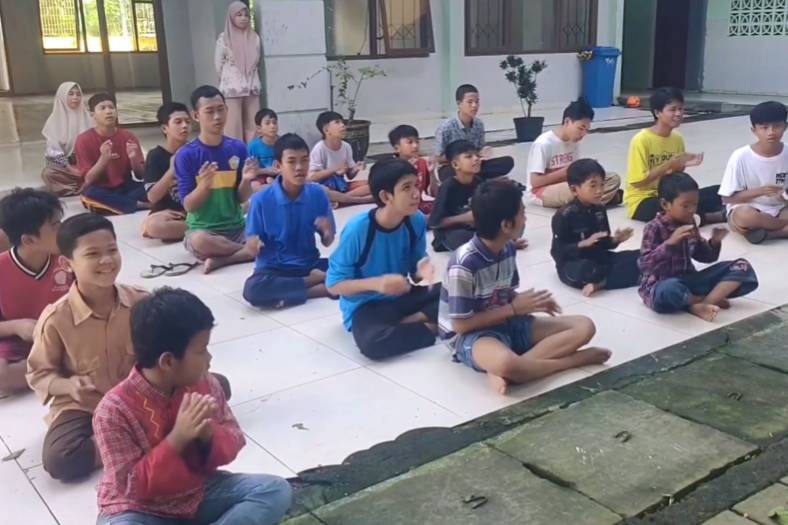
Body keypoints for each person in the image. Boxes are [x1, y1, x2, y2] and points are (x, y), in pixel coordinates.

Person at [94, 288, 292, 525]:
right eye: (201, 350)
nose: (209, 359)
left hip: (196, 495)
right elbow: (130, 487)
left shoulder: (206, 384)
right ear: (168, 361)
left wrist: (209, 437)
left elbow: (235, 437)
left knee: (273, 490)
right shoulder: (112, 412)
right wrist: (177, 439)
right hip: (139, 509)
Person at [439, 179, 610, 395]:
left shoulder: (507, 248)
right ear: (506, 225)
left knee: (584, 326)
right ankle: (571, 361)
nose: (525, 219)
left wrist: (532, 303)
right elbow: (460, 325)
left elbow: (505, 292)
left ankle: (513, 370)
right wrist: (513, 309)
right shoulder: (463, 263)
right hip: (473, 334)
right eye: (522, 213)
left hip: (507, 322)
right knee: (505, 362)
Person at [26, 214, 149, 481]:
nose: (107, 260)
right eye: (93, 254)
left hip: (138, 397)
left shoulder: (141, 302)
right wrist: (68, 386)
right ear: (66, 263)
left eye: (112, 250)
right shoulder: (56, 319)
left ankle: (124, 434)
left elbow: (161, 353)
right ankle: (140, 434)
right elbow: (39, 374)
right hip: (85, 406)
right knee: (61, 459)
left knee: (215, 386)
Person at [326, 158, 439, 360]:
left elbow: (416, 270)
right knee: (373, 342)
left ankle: (412, 321)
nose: (416, 193)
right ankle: (430, 325)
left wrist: (423, 268)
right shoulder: (358, 229)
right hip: (367, 306)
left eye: (416, 185)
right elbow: (334, 285)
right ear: (386, 196)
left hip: (402, 298)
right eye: (407, 188)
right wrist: (378, 284)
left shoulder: (416, 220)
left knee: (456, 292)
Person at [638, 173, 759, 322]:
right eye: (685, 206)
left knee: (742, 267)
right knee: (669, 289)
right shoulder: (654, 227)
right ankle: (697, 303)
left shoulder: (690, 222)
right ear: (665, 204)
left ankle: (704, 302)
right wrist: (670, 243)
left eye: (695, 205)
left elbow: (705, 257)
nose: (692, 210)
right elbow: (644, 265)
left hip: (689, 281)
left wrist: (714, 242)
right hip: (661, 284)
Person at [243, 134, 336, 309]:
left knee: (356, 267)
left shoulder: (318, 194)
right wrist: (253, 245)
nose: (299, 167)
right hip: (276, 269)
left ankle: (292, 293)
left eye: (304, 160)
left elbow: (328, 241)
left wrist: (327, 232)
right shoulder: (261, 200)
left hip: (309, 263)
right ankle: (316, 286)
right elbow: (250, 247)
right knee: (253, 290)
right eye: (292, 161)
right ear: (278, 166)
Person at [176, 85, 257, 274]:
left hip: (237, 228)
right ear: (196, 115)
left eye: (221, 110)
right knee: (199, 241)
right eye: (209, 111)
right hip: (205, 232)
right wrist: (204, 186)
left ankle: (226, 258)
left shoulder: (238, 148)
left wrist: (246, 180)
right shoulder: (186, 155)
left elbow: (241, 198)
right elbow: (189, 206)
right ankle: (249, 251)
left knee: (272, 229)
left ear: (227, 110)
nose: (217, 117)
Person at [0, 189, 70, 394]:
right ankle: (59, 366)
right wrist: (16, 326)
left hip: (67, 334)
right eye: (55, 225)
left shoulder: (70, 258)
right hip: (20, 340)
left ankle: (53, 365)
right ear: (29, 240)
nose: (63, 230)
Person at [624, 87, 724, 223]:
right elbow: (637, 182)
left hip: (671, 195)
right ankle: (709, 217)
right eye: (672, 109)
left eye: (681, 109)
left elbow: (674, 178)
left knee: (719, 191)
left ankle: (699, 214)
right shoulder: (641, 140)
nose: (678, 114)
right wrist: (670, 164)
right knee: (677, 209)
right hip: (643, 200)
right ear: (657, 113)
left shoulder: (677, 138)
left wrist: (682, 165)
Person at [550, 159, 639, 297]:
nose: (599, 191)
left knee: (642, 256)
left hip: (599, 258)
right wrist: (582, 244)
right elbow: (557, 252)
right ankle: (609, 279)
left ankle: (603, 282)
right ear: (574, 190)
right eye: (593, 186)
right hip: (575, 263)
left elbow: (604, 244)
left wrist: (616, 240)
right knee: (587, 270)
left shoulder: (599, 209)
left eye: (602, 185)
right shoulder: (564, 215)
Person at [429, 140, 529, 253]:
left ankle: (499, 243)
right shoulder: (448, 186)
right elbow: (435, 223)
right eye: (469, 157)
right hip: (450, 233)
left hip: (474, 227)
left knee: (514, 222)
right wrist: (464, 218)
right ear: (455, 164)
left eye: (477, 155)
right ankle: (501, 244)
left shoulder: (479, 182)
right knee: (466, 238)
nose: (476, 159)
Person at [527, 98, 622, 208]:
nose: (583, 134)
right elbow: (535, 182)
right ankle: (600, 200)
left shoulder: (574, 142)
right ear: (567, 121)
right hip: (543, 191)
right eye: (580, 128)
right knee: (576, 191)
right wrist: (565, 172)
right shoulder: (543, 143)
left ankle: (591, 201)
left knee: (612, 178)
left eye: (586, 130)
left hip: (570, 183)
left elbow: (576, 174)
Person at [719, 101, 788, 244]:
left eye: (777, 126)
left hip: (781, 208)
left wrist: (784, 197)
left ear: (785, 127)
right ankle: (780, 228)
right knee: (746, 216)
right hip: (750, 209)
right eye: (764, 127)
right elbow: (727, 199)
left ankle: (768, 234)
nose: (771, 132)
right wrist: (761, 191)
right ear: (754, 130)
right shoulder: (740, 156)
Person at [76, 93, 147, 215]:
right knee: (90, 194)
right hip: (100, 189)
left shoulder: (128, 136)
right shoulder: (83, 139)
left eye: (111, 107)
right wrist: (103, 160)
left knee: (151, 187)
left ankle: (119, 204)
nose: (108, 111)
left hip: (126, 186)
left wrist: (134, 159)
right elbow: (88, 179)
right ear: (92, 114)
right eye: (102, 108)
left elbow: (140, 175)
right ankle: (140, 205)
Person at [434, 84, 514, 183]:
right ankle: (478, 180)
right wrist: (462, 158)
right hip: (454, 167)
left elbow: (479, 150)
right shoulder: (446, 127)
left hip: (474, 164)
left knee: (507, 162)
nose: (474, 105)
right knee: (449, 174)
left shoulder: (479, 124)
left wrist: (483, 152)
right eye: (470, 102)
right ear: (459, 103)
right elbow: (438, 158)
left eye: (477, 102)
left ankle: (474, 179)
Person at [141, 102, 192, 242]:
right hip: (169, 213)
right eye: (178, 122)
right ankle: (206, 228)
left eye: (188, 122)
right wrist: (171, 170)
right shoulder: (155, 155)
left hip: (196, 211)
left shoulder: (196, 150)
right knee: (154, 226)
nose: (184, 126)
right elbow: (152, 197)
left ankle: (202, 227)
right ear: (165, 128)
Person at [215, 1, 261, 143]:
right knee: (233, 126)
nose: (243, 18)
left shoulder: (254, 38)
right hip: (232, 89)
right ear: (231, 17)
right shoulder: (224, 39)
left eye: (246, 15)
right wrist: (230, 79)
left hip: (252, 87)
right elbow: (218, 64)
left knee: (254, 124)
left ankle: (252, 152)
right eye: (239, 15)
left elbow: (257, 60)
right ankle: (235, 154)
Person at [309, 111, 373, 206]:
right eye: (337, 122)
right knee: (323, 191)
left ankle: (341, 199)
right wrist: (334, 170)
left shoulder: (346, 146)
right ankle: (352, 199)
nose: (343, 125)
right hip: (326, 187)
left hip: (342, 186)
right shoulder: (319, 148)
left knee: (373, 184)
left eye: (342, 122)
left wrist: (356, 168)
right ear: (326, 130)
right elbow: (312, 178)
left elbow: (350, 176)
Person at [41, 82, 92, 196]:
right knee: (48, 174)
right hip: (66, 166)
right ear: (62, 96)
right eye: (71, 94)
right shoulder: (53, 121)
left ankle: (82, 185)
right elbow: (53, 151)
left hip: (87, 165)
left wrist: (86, 166)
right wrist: (69, 168)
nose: (75, 97)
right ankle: (83, 186)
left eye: (78, 94)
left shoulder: (87, 118)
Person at [389, 124, 437, 215]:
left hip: (418, 206)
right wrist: (406, 170)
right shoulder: (391, 167)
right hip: (399, 209)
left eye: (417, 142)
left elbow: (433, 194)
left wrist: (432, 173)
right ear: (396, 148)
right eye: (410, 142)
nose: (415, 146)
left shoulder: (422, 163)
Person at [247, 108, 280, 192]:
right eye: (267, 123)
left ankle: (272, 185)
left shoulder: (283, 142)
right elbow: (250, 170)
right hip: (261, 176)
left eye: (274, 122)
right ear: (259, 128)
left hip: (280, 175)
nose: (272, 126)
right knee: (254, 185)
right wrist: (266, 171)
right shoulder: (253, 146)